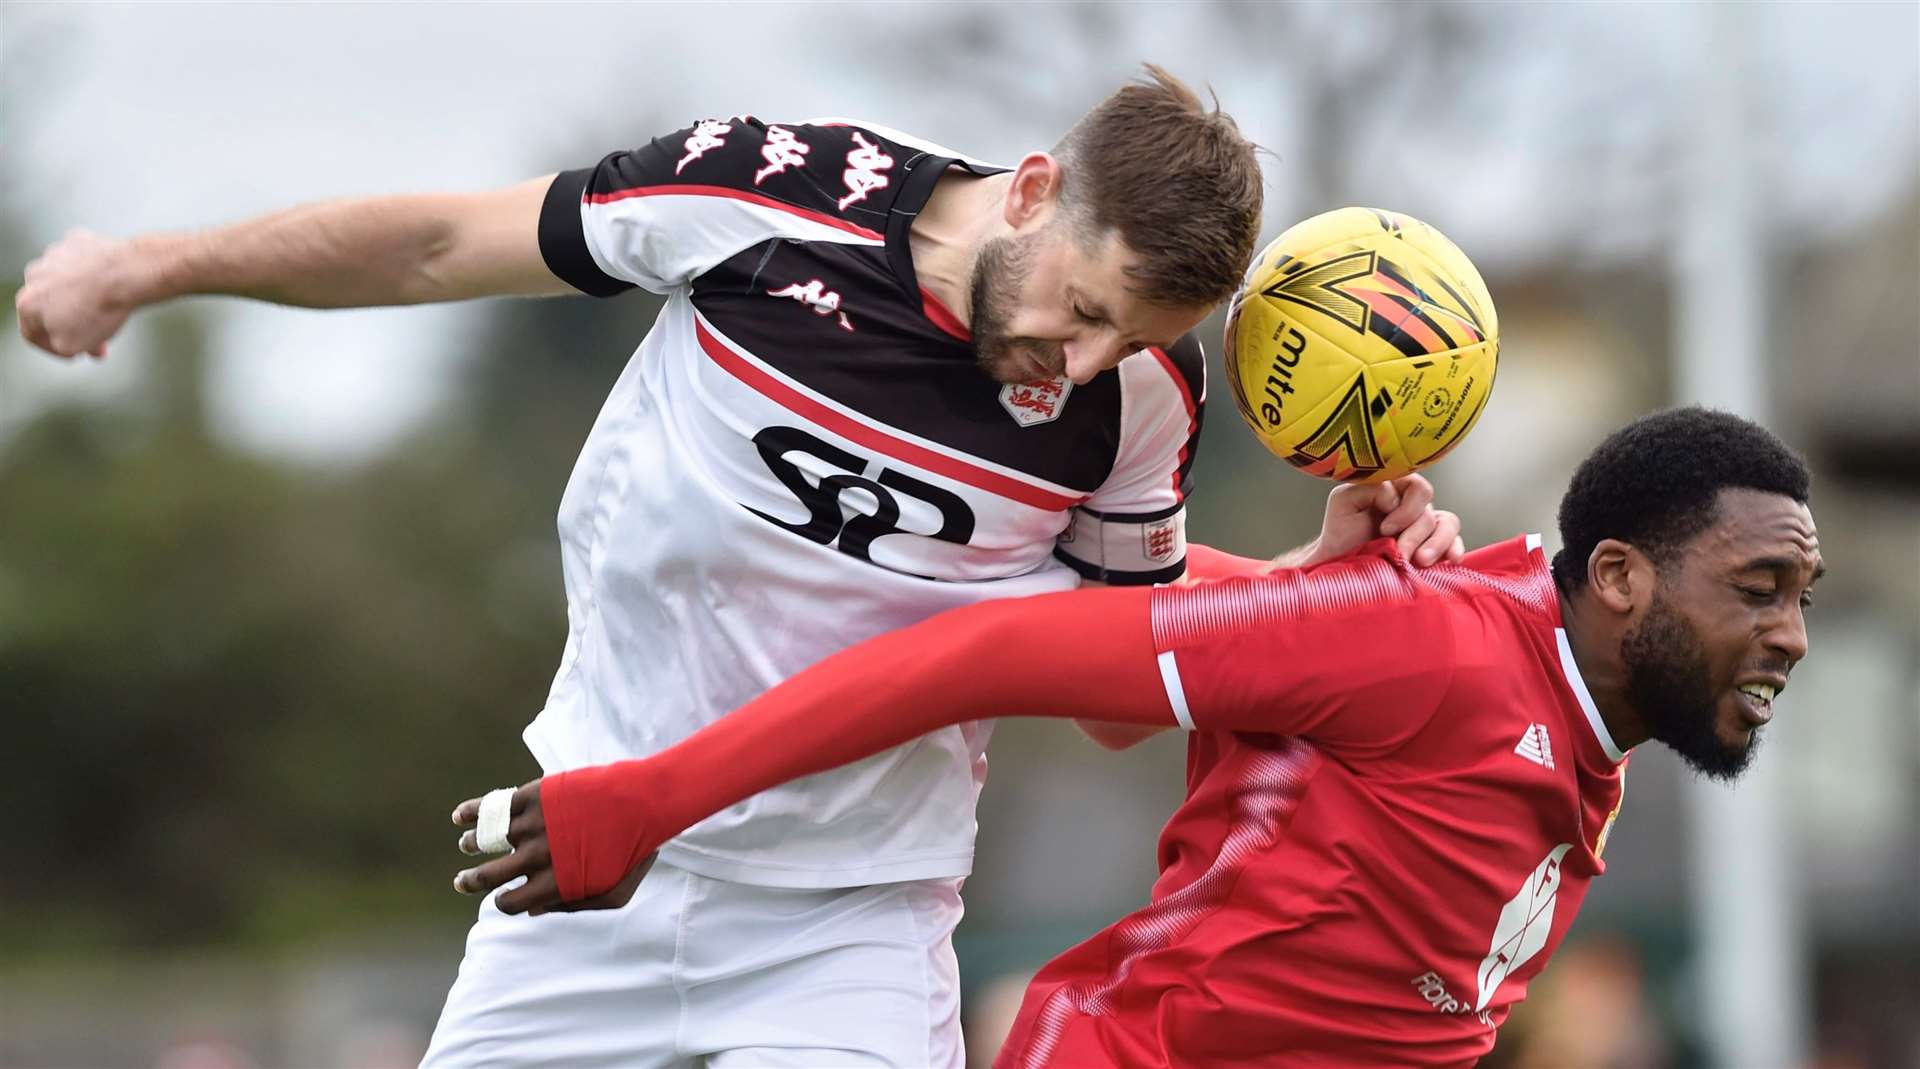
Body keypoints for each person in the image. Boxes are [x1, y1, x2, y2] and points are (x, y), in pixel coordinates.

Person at [17, 68, 1466, 1067]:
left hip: (860, 912)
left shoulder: (1143, 395)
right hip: (581, 871)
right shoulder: (776, 199)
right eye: (1083, 309)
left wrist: (1306, 586)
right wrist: (148, 267)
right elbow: (436, 244)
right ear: (1032, 189)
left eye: (1127, 337)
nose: (1082, 363)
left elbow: (1109, 679)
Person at [451, 406, 1821, 1068]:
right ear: (1624, 577)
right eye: (1757, 590)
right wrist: (649, 795)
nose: (1792, 635)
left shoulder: (1565, 700)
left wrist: (1293, 579)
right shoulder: (1439, 645)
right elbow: (987, 648)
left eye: (1800, 597)